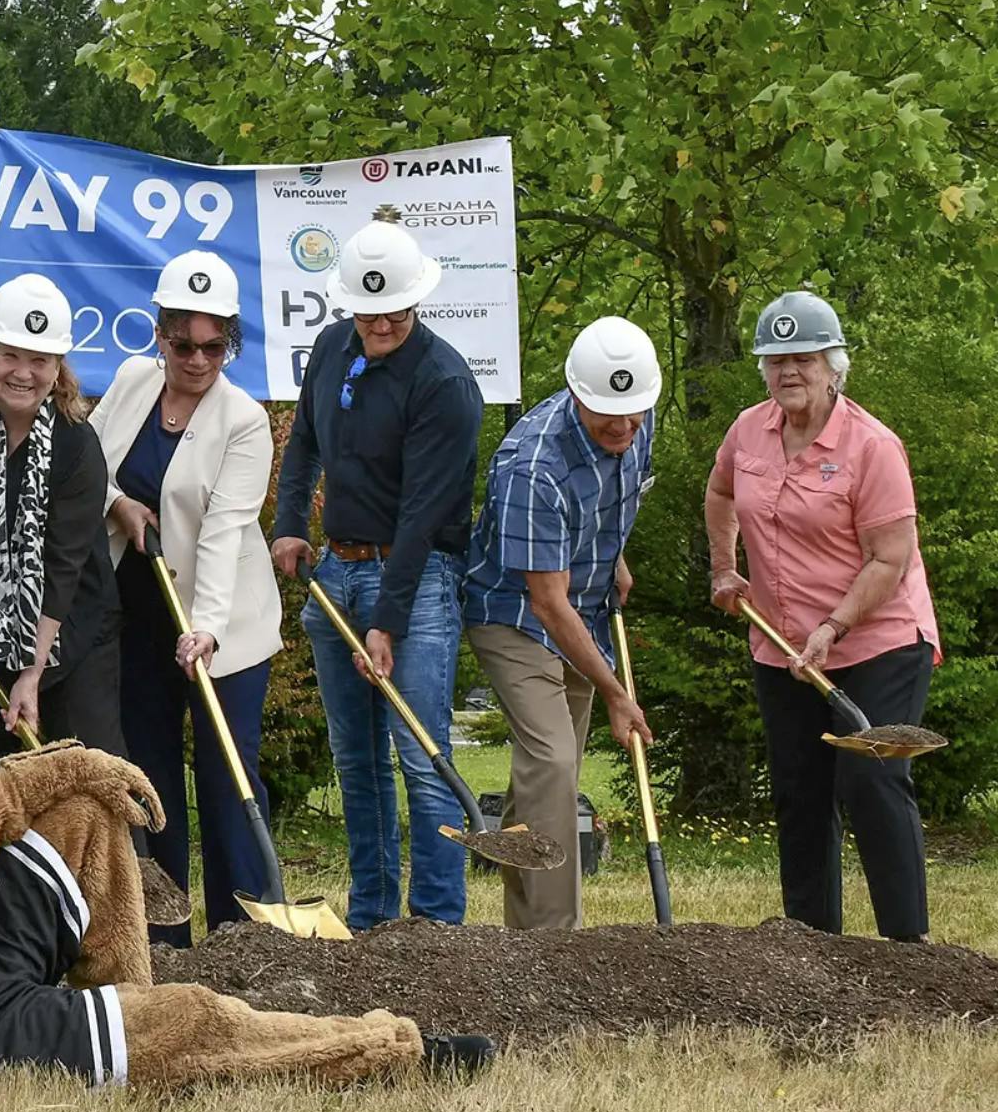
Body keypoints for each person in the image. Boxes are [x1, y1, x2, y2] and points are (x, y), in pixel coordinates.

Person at [271, 208, 484, 931]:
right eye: (366, 312)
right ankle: (371, 920)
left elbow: (424, 514)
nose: (378, 324)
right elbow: (302, 442)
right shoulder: (333, 347)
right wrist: (291, 525)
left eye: (390, 311)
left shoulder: (445, 383)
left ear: (416, 300)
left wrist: (388, 621)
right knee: (356, 761)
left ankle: (434, 930)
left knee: (423, 762)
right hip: (338, 570)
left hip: (415, 581)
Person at [706, 291, 938, 941]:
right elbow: (721, 490)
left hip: (878, 638)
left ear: (835, 365)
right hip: (782, 643)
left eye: (803, 359)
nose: (789, 372)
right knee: (799, 791)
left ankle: (907, 946)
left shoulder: (873, 447)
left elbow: (890, 559)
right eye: (775, 360)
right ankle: (811, 948)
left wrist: (832, 627)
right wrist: (725, 567)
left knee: (870, 777)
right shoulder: (748, 431)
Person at [91, 250, 283, 944]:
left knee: (228, 780)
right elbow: (89, 463)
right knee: (151, 776)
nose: (198, 359)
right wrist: (119, 506)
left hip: (221, 623)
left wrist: (204, 629)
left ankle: (242, 934)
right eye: (184, 343)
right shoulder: (133, 379)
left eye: (214, 345)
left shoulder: (244, 420)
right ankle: (165, 934)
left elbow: (226, 532)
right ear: (160, 334)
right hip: (137, 614)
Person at [461, 316, 661, 930]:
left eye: (634, 414)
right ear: (577, 395)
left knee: (555, 770)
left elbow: (611, 499)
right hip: (514, 614)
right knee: (551, 760)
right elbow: (546, 601)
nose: (625, 428)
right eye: (609, 417)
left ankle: (521, 913)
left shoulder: (635, 416)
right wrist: (616, 694)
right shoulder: (531, 466)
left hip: (587, 606)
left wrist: (613, 554)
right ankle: (553, 945)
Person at [0, 274, 120, 779]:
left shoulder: (77, 447)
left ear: (58, 371)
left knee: (83, 786)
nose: (23, 373)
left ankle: (118, 864)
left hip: (68, 643)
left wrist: (31, 673)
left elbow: (63, 568)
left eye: (40, 360)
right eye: (11, 355)